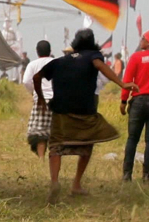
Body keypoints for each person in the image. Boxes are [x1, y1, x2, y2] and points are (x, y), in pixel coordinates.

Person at [33, 29, 138, 204]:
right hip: (85, 112)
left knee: (56, 147)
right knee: (88, 144)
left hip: (60, 112)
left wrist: (41, 100)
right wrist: (122, 84)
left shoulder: (60, 61)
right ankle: (76, 184)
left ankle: (54, 182)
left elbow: (37, 77)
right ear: (92, 42)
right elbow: (99, 65)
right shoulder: (93, 56)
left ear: (74, 43)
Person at [120, 31, 149, 182]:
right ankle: (146, 175)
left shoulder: (136, 57)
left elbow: (127, 80)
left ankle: (127, 174)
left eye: (143, 38)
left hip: (138, 102)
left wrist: (124, 101)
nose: (141, 40)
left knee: (132, 139)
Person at [22, 40, 54, 158]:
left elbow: (26, 81)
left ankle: (41, 158)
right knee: (55, 130)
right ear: (50, 51)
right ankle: (55, 157)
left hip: (41, 101)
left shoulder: (33, 65)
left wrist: (33, 92)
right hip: (56, 100)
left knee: (40, 132)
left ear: (37, 52)